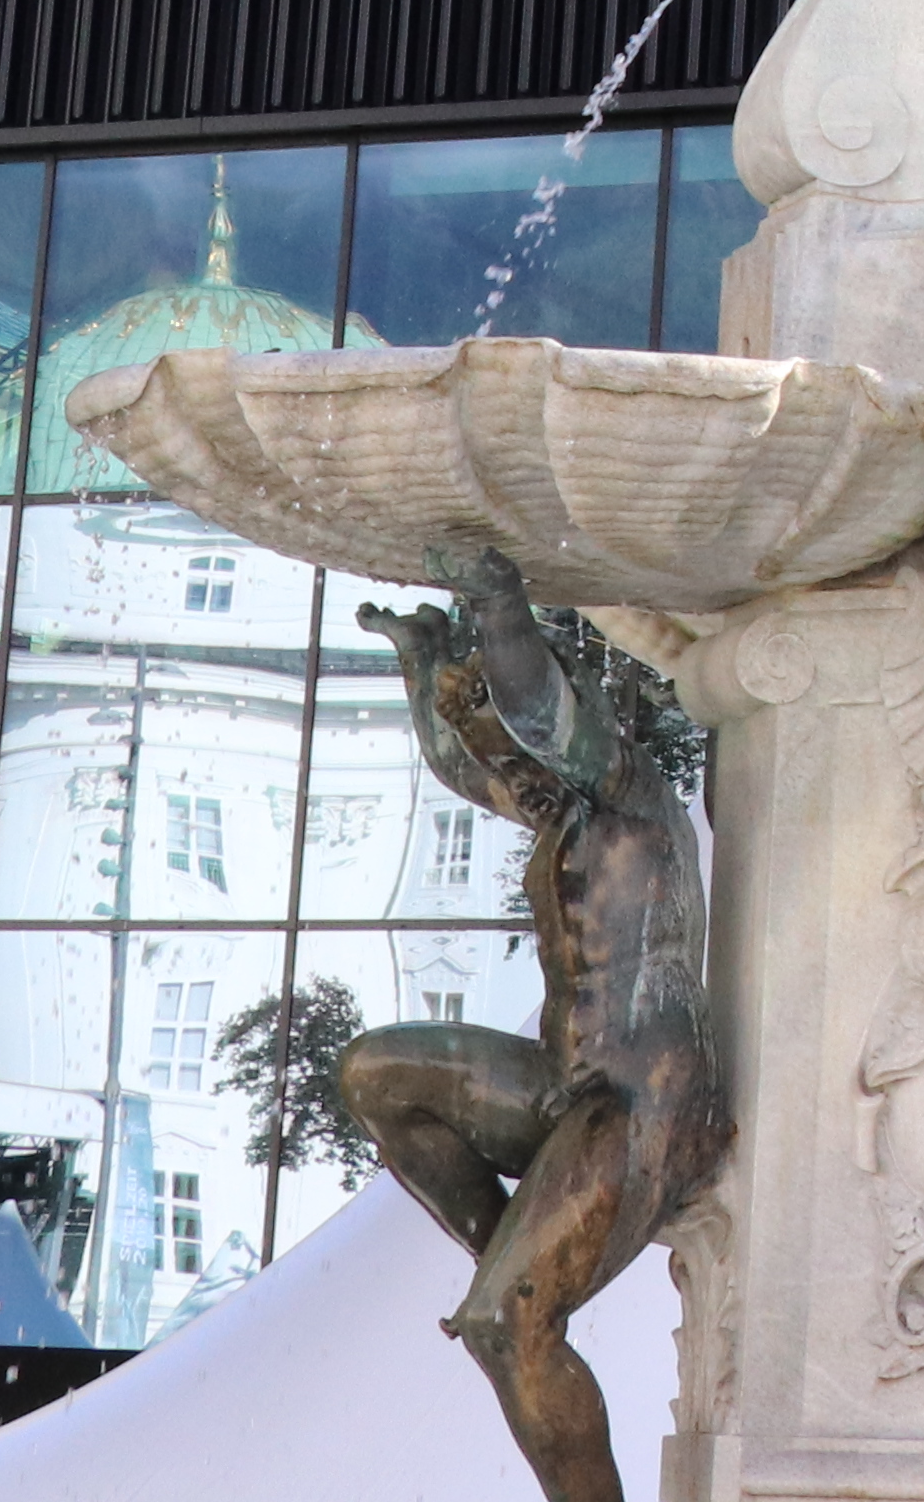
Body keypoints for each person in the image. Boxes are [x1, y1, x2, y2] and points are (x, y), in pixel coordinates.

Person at [341, 554, 730, 1502]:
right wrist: (423, 665)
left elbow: (536, 709)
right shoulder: (561, 811)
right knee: (372, 1075)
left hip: (644, 1105)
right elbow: (459, 762)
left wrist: (500, 607)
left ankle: (518, 1307)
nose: (497, 751)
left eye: (493, 712)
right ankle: (513, 1257)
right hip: (567, 1084)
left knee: (504, 1327)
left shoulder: (626, 790)